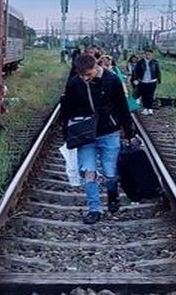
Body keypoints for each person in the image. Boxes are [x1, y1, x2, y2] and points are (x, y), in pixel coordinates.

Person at [60, 53, 134, 224]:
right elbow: (67, 110)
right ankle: (94, 209)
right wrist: (68, 134)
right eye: (81, 75)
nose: (85, 78)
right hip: (85, 135)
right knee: (88, 171)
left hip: (109, 132)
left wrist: (129, 131)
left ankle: (112, 195)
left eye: (88, 74)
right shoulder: (74, 83)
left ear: (96, 67)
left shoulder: (112, 80)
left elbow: (122, 107)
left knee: (110, 172)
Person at [131, 49, 161, 115]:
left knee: (150, 95)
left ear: (152, 55)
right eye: (146, 54)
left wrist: (159, 80)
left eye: (149, 54)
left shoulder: (155, 62)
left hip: (152, 81)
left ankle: (150, 108)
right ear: (144, 55)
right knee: (144, 95)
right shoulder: (140, 62)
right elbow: (135, 71)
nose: (148, 56)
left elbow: (158, 71)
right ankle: (145, 108)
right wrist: (135, 79)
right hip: (143, 81)